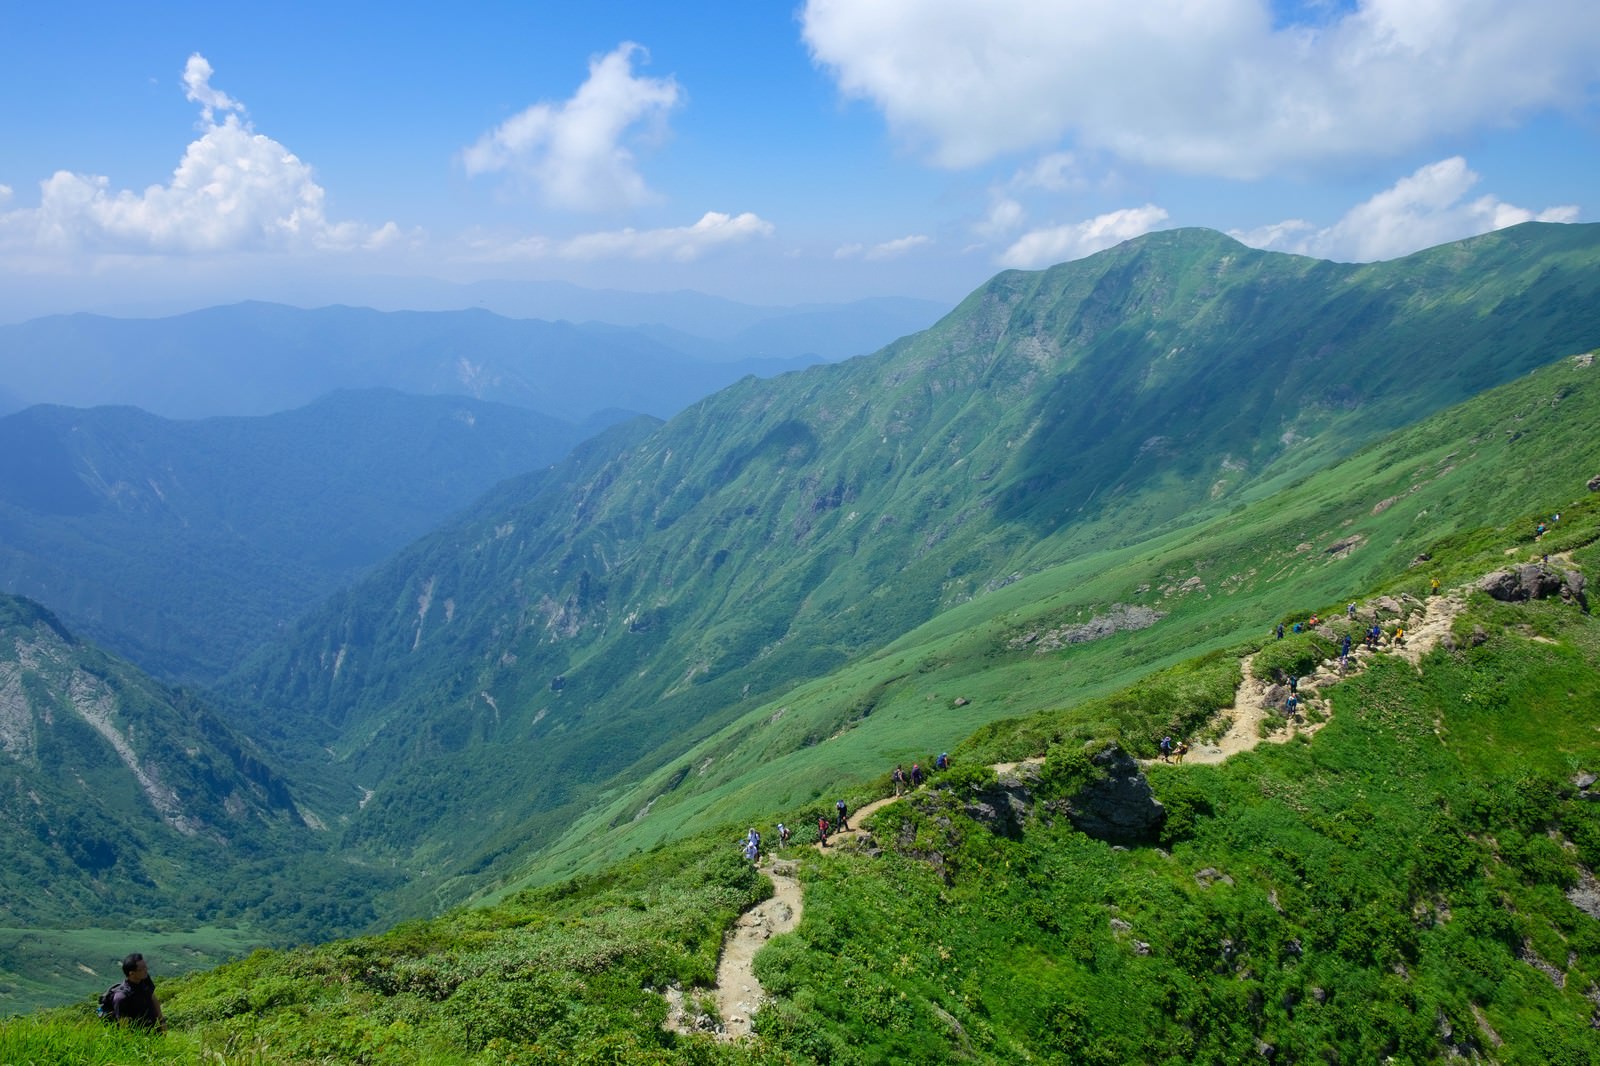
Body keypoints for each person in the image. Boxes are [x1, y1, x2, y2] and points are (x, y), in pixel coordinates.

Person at [108, 953, 165, 1031]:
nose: (146, 970)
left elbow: (152, 997)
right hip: (139, 1036)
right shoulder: (121, 997)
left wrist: (162, 1022)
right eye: (142, 969)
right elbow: (124, 1027)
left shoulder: (144, 979)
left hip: (155, 1032)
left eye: (145, 966)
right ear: (131, 973)